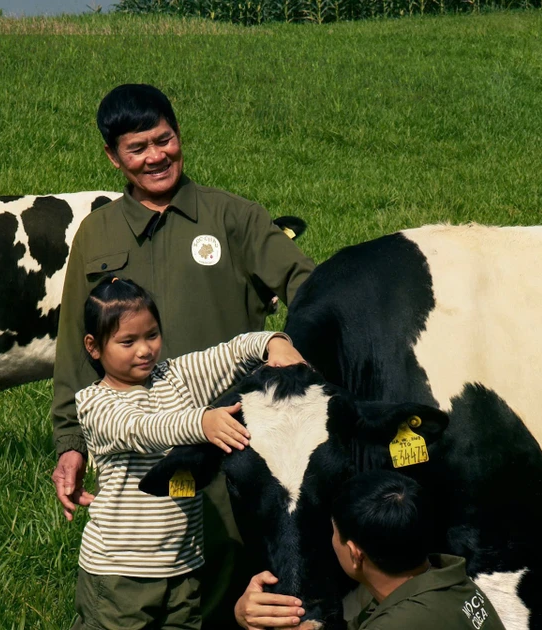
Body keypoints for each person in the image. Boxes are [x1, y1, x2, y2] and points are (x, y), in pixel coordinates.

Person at [51, 83, 315, 624]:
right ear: (113, 157)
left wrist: (291, 343)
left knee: (229, 582)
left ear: (178, 133)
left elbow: (305, 283)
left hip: (236, 443)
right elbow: (74, 352)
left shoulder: (233, 217)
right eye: (137, 148)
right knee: (137, 582)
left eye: (163, 139)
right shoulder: (96, 233)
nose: (155, 156)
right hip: (135, 462)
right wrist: (70, 444)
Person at [73, 276, 306, 629]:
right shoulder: (95, 403)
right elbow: (140, 428)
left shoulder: (176, 376)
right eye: (127, 341)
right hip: (120, 575)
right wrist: (201, 423)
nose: (144, 349)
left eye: (152, 335)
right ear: (93, 347)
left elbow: (230, 353)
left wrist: (274, 343)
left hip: (183, 568)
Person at [235, 471, 506, 630]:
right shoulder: (451, 582)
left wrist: (244, 618)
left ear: (355, 553)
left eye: (335, 533)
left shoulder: (400, 623)